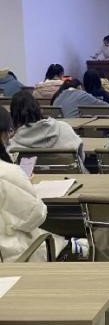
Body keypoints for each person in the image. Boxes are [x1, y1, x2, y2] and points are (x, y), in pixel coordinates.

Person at [0, 105, 48, 262]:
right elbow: (36, 216)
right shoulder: (8, 173)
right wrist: (24, 185)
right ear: (3, 134)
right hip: (12, 257)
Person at [9, 91, 84, 162]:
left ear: (13, 116)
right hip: (69, 171)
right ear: (38, 109)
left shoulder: (12, 146)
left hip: (32, 172)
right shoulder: (64, 127)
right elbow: (81, 157)